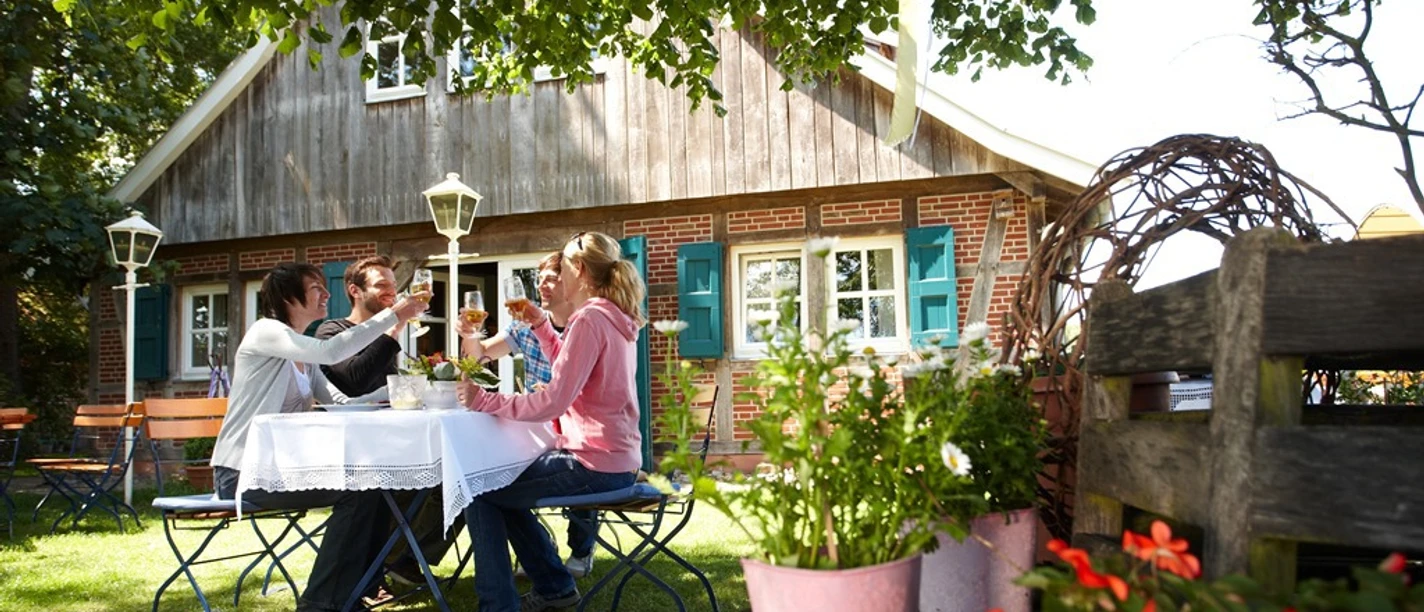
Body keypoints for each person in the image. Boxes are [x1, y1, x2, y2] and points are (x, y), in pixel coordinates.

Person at [211, 262, 428, 612]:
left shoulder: (302, 354)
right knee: (358, 491)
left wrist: (404, 392)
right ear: (288, 297)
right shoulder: (266, 332)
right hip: (242, 472)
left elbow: (342, 404)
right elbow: (332, 351)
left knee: (375, 483)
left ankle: (355, 592)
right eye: (316, 288)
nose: (327, 294)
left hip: (277, 469)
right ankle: (320, 603)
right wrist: (394, 316)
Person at [456, 232, 645, 612]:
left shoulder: (589, 318)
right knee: (495, 485)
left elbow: (555, 399)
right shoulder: (611, 315)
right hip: (617, 461)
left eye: (565, 267)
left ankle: (500, 605)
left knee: (478, 487)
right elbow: (571, 370)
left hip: (594, 463)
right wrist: (542, 325)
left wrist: (485, 400)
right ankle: (555, 589)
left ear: (579, 270)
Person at [314, 255, 463, 587]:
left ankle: (403, 560)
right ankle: (385, 564)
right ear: (355, 291)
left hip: (393, 448)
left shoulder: (387, 339)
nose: (392, 292)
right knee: (433, 481)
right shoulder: (332, 331)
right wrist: (394, 327)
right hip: (357, 456)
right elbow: (355, 382)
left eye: (394, 286)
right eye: (381, 285)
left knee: (461, 477)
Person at [456, 252, 600, 579]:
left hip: (579, 428)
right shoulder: (524, 325)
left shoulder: (587, 324)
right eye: (539, 280)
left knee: (578, 457)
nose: (542, 286)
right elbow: (481, 357)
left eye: (552, 278)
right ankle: (539, 547)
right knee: (498, 469)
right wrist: (470, 334)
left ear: (571, 280)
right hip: (537, 423)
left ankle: (581, 548)